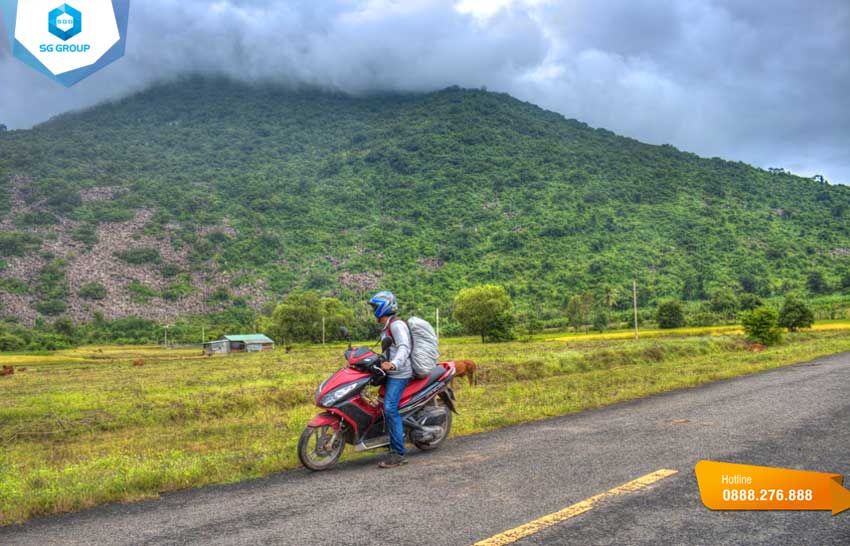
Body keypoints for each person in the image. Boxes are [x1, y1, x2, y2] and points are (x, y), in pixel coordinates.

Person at [368, 290, 412, 468]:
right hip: (390, 372)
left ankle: (398, 454)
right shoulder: (386, 327)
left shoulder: (396, 325)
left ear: (384, 307)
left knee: (389, 408)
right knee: (376, 403)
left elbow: (404, 347)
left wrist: (393, 364)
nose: (373, 311)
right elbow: (388, 349)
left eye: (375, 307)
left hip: (400, 373)